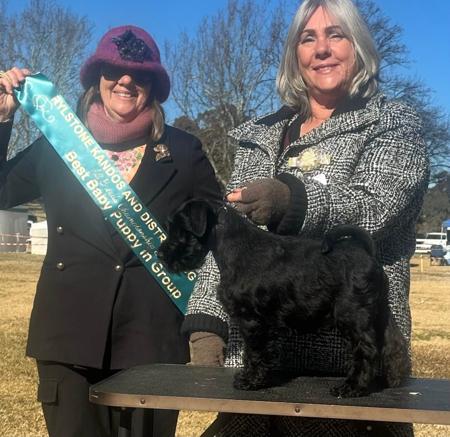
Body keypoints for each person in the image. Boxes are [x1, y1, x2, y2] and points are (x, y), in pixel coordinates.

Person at [182, 0, 429, 436]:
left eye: (336, 35)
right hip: (255, 376)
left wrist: (293, 201)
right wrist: (206, 324)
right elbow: (224, 240)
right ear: (294, 54)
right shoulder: (259, 135)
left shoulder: (394, 124)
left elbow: (375, 207)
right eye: (308, 38)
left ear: (359, 47)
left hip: (343, 378)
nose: (322, 49)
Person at [0, 25, 221, 437]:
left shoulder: (184, 151)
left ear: (154, 85)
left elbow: (216, 227)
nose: (126, 80)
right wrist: (1, 119)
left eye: (141, 74)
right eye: (114, 70)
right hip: (67, 335)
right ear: (96, 78)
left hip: (152, 337)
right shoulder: (57, 144)